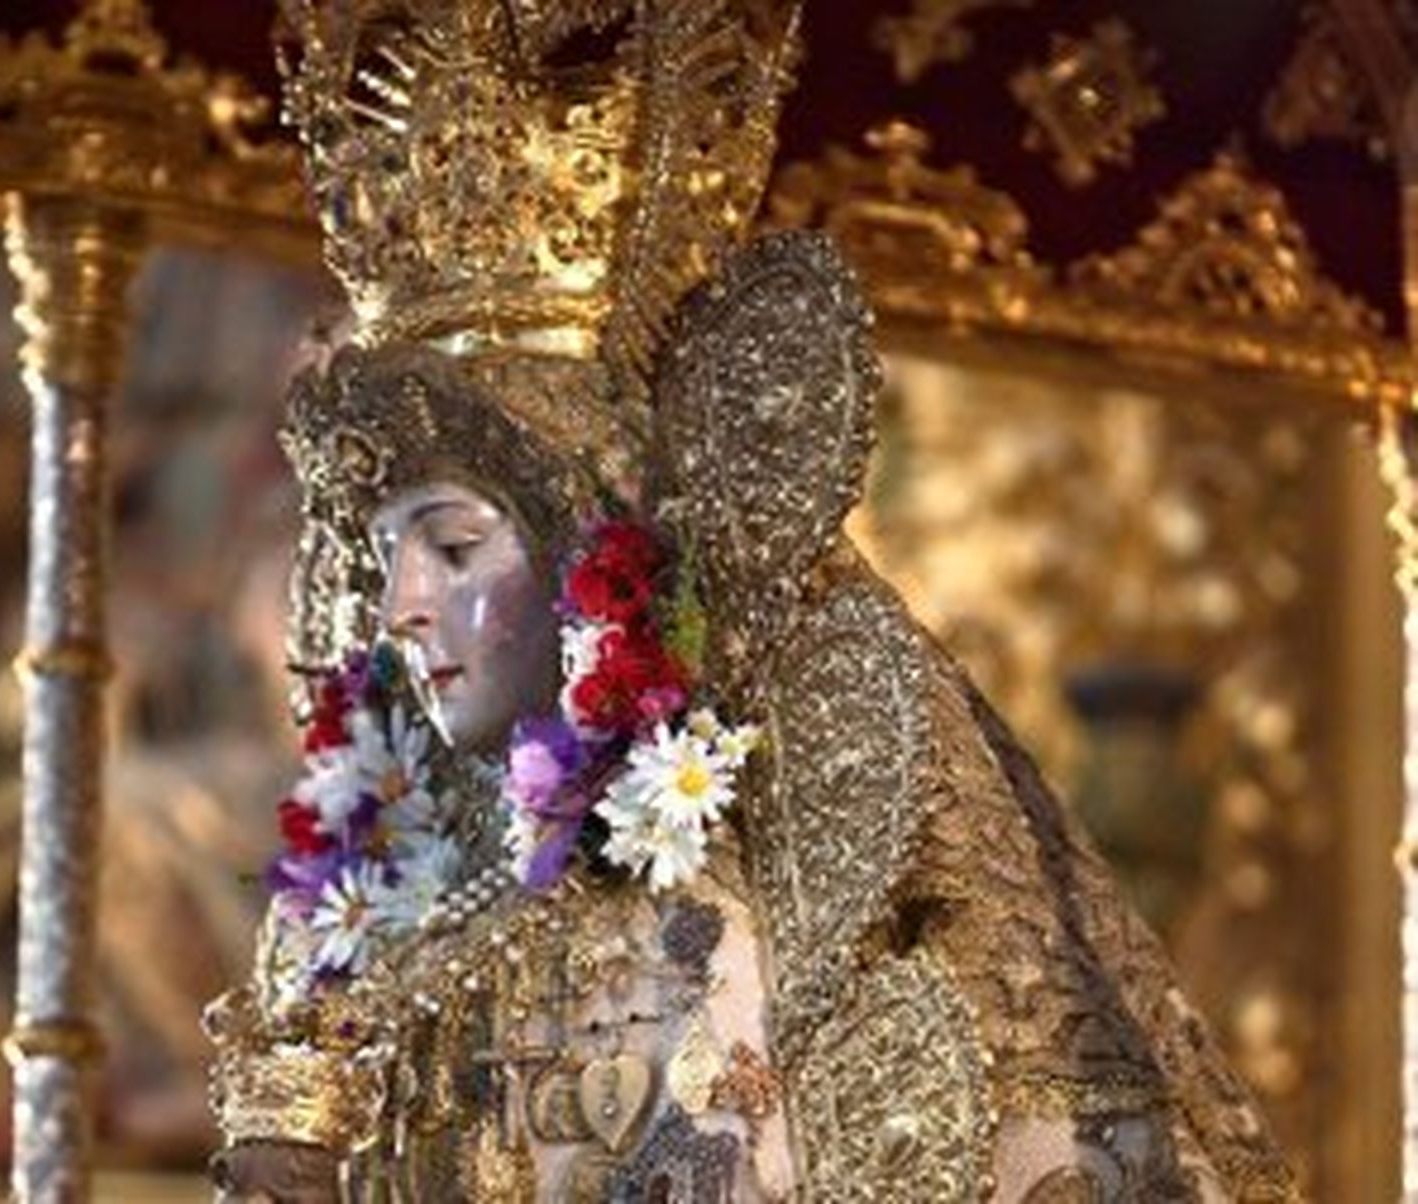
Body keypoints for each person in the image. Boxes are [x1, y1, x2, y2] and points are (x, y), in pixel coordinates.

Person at [206, 2, 1295, 1199]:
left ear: (588, 554)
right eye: (382, 557)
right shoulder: (363, 921)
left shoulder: (699, 921)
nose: (402, 604)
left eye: (455, 546)